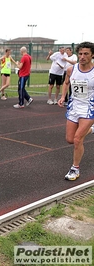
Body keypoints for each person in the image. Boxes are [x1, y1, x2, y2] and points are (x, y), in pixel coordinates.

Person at [57, 41, 94, 181]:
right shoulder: (71, 70)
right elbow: (66, 83)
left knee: (78, 139)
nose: (82, 56)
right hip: (74, 107)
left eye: (86, 54)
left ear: (92, 55)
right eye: (80, 54)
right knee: (70, 139)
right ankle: (91, 129)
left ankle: (75, 169)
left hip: (89, 109)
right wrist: (62, 96)